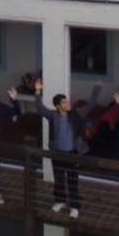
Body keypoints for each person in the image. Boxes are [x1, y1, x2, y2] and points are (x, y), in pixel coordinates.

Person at [37, 79, 82, 217]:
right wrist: (38, 91)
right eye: (64, 102)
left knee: (72, 180)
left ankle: (74, 206)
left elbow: (90, 105)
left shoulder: (73, 114)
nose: (67, 104)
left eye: (67, 101)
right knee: (59, 179)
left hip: (72, 153)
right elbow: (40, 108)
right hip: (57, 153)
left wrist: (97, 89)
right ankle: (60, 201)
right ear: (57, 106)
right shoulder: (53, 115)